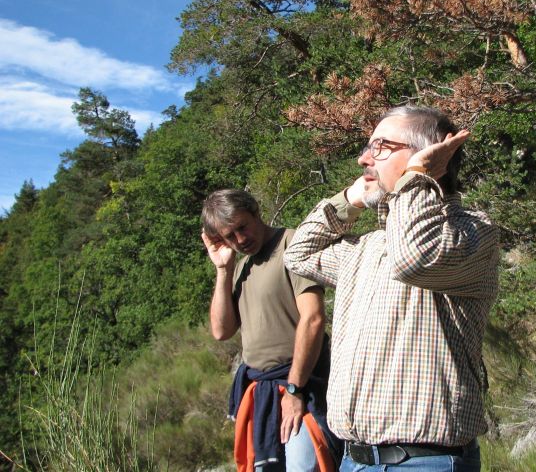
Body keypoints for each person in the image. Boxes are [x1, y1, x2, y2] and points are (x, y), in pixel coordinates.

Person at [283, 106, 499, 471]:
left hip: (423, 462)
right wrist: (350, 200)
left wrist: (417, 176)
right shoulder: (371, 245)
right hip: (354, 459)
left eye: (380, 146)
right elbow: (298, 254)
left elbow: (413, 258)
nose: (363, 158)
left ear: (430, 155)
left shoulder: (472, 231)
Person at [201, 189, 340, 472]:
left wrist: (294, 389)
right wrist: (223, 270)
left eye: (242, 227)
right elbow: (221, 330)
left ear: (255, 212)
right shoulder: (240, 268)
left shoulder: (292, 244)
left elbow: (313, 318)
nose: (240, 240)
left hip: (303, 386)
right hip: (263, 392)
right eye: (229, 236)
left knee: (306, 466)